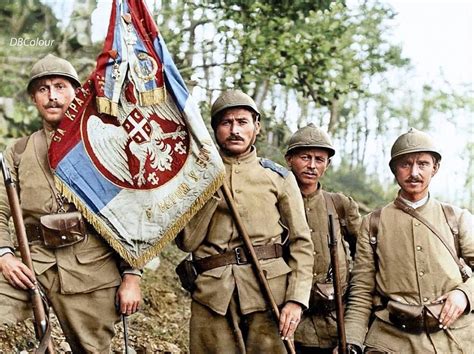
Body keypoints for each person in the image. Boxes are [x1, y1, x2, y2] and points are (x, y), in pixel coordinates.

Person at [0, 54, 142, 353]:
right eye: (43, 89)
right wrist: (4, 255)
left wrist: (131, 275)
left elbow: (131, 213)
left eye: (60, 86)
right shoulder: (18, 151)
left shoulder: (105, 143)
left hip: (92, 269)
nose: (52, 96)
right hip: (31, 264)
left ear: (77, 93)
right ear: (33, 98)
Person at [175, 90, 314, 353]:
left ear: (256, 127)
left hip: (268, 293)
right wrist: (210, 188)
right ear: (214, 130)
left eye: (242, 122)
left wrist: (296, 299)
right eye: (226, 123)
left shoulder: (278, 178)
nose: (235, 130)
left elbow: (301, 244)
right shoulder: (194, 176)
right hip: (213, 295)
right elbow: (186, 241)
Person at [344, 128, 473, 353]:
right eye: (405, 164)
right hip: (393, 340)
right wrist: (351, 340)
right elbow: (362, 290)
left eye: (422, 164)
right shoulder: (373, 223)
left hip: (454, 340)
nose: (414, 172)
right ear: (394, 170)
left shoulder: (457, 218)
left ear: (435, 168)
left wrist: (465, 294)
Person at [284, 124, 361, 353]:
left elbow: (366, 258)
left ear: (327, 164)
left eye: (319, 159)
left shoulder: (340, 205)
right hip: (289, 322)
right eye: (305, 157)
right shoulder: (275, 202)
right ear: (289, 159)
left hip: (334, 323)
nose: (312, 165)